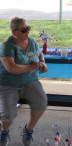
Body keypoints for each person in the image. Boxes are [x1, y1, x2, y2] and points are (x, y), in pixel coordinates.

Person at [0, 16, 48, 146]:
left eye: (28, 28)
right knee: (8, 114)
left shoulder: (31, 41)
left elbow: (39, 54)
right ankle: (4, 131)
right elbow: (11, 67)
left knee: (41, 102)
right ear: (14, 32)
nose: (27, 32)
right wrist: (32, 66)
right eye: (24, 30)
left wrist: (42, 63)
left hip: (30, 81)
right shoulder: (7, 46)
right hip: (8, 84)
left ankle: (28, 130)